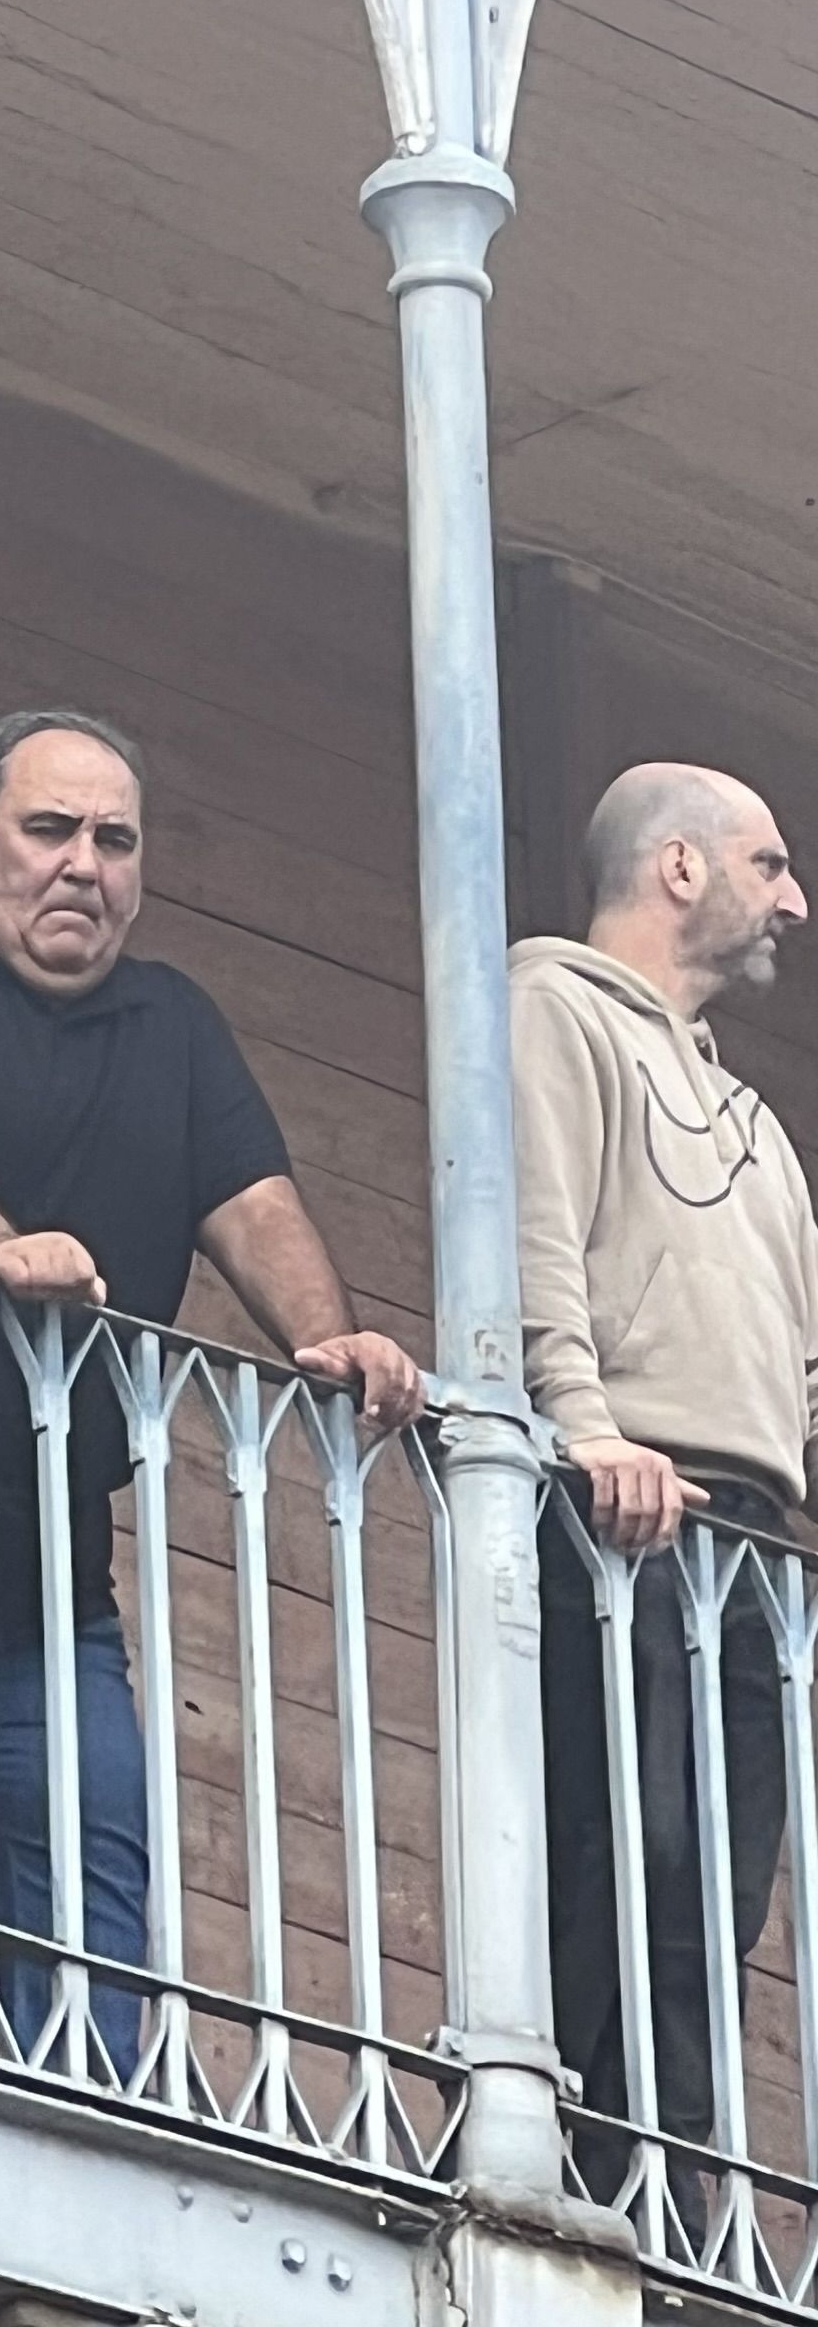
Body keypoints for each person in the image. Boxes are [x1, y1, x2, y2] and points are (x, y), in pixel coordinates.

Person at [0, 710, 421, 2071]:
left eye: (115, 841)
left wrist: (329, 1336)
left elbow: (248, 1199)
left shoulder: (170, 1022)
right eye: (50, 830)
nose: (85, 866)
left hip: (38, 1560)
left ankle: (74, 2112)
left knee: (86, 1867)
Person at [514, 762, 818, 2198]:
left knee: (714, 1887)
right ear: (679, 867)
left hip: (750, 1544)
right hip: (628, 1506)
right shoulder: (552, 1013)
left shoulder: (760, 1133)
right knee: (622, 1848)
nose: (794, 900)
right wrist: (584, 1429)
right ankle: (608, 2162)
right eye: (769, 865)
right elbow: (529, 1245)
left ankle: (674, 2164)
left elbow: (802, 1371)